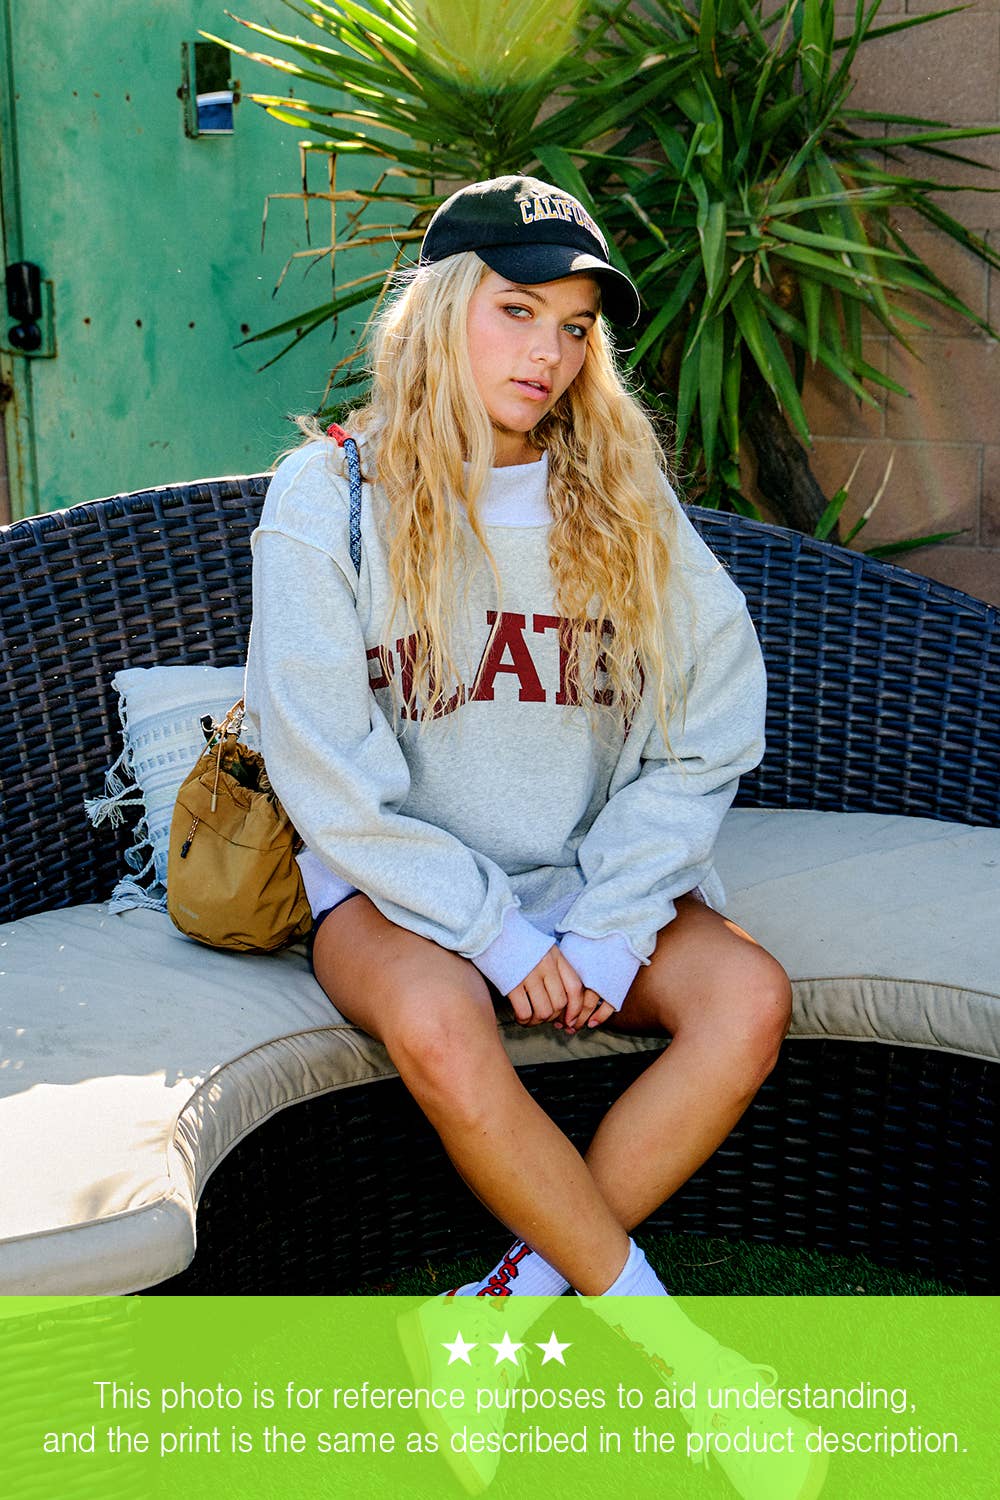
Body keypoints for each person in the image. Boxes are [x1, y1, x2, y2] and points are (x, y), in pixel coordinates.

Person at [244, 176, 822, 1500]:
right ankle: (685, 1359)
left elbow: (712, 723)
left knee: (746, 998)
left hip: (580, 868)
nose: (547, 354)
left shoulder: (615, 490)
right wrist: (500, 939)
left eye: (573, 327)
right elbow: (328, 772)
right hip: (391, 889)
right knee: (442, 1018)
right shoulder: (329, 493)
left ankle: (502, 1309)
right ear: (442, 310)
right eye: (516, 311)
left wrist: (610, 924)